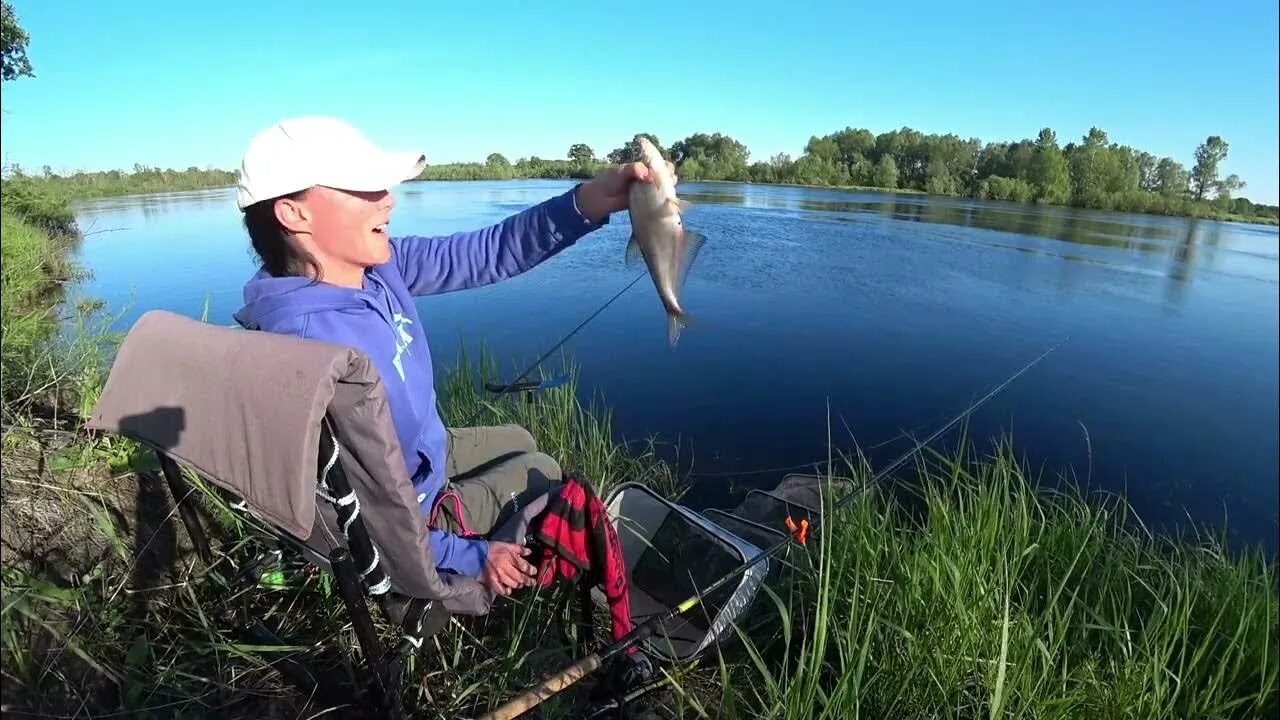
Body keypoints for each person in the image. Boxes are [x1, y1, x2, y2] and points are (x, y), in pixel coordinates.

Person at [231, 116, 674, 598]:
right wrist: (471, 556)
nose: (387, 198)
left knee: (521, 436)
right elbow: (366, 511)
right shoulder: (316, 350)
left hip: (426, 454)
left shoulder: (372, 267)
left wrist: (587, 202)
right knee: (544, 468)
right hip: (418, 513)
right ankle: (507, 571)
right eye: (361, 189)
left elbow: (486, 252)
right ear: (294, 214)